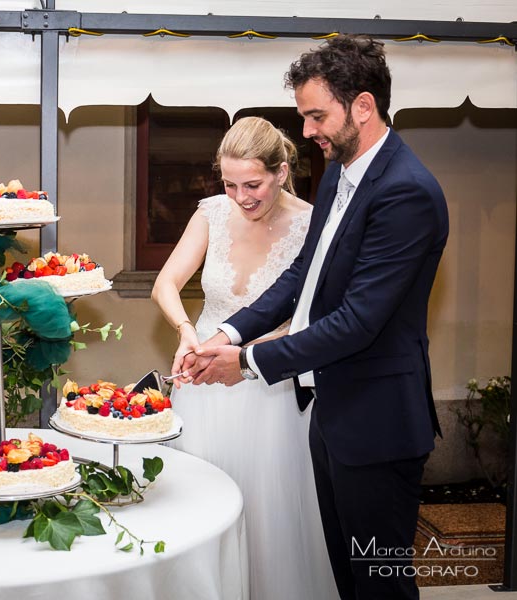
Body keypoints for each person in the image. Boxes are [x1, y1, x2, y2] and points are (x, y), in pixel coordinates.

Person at [179, 35, 448, 600]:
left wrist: (247, 362)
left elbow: (357, 322)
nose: (307, 132)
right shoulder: (342, 175)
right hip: (331, 414)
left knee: (381, 586)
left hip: (377, 427)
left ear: (364, 106)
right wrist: (229, 332)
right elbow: (303, 275)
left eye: (316, 115)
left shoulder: (407, 192)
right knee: (347, 583)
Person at [152, 116, 339, 600]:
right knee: (199, 505)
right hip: (202, 385)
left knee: (266, 515)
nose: (241, 196)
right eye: (230, 184)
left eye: (252, 183)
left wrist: (247, 353)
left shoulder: (310, 223)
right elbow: (165, 283)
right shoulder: (212, 212)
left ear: (281, 171)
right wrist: (186, 331)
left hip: (267, 389)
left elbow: (312, 316)